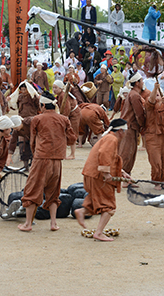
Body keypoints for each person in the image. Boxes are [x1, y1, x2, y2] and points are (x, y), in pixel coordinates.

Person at [18, 92, 77, 232]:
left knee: (32, 190)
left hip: (41, 159)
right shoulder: (63, 119)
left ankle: (27, 224)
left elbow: (32, 141)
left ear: (43, 105)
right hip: (57, 160)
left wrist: (36, 154)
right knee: (53, 192)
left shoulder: (37, 119)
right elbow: (72, 139)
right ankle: (53, 223)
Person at [74, 119, 130, 242]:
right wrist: (105, 173)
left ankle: (82, 211)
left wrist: (121, 172)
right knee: (109, 206)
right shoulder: (112, 139)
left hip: (91, 173)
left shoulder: (109, 138)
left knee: (96, 200)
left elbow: (111, 158)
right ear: (120, 131)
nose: (126, 134)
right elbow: (104, 154)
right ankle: (98, 233)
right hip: (98, 176)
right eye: (125, 131)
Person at [144, 85, 164, 183]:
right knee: (156, 161)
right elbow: (151, 100)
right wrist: (155, 89)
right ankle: (156, 181)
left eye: (159, 94)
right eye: (156, 95)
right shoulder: (149, 105)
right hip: (152, 135)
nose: (157, 97)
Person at [118, 73, 146, 175]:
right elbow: (139, 114)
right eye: (141, 81)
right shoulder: (134, 95)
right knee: (127, 153)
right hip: (129, 127)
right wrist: (143, 125)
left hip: (128, 126)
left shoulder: (132, 94)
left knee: (128, 152)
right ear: (137, 83)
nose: (143, 82)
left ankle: (125, 176)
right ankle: (123, 177)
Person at [53, 81, 80, 160]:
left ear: (60, 88)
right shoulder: (59, 95)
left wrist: (63, 120)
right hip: (67, 115)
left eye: (56, 88)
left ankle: (72, 154)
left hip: (74, 114)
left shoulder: (64, 95)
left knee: (72, 133)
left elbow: (66, 109)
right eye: (53, 87)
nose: (54, 89)